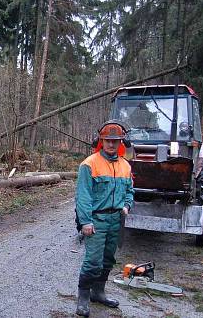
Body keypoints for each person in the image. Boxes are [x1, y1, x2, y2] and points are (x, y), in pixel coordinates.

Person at [75, 120, 134, 317]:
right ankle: (83, 298)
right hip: (97, 220)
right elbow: (83, 197)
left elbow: (129, 191)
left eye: (115, 141)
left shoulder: (125, 166)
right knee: (93, 261)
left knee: (108, 259)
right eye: (108, 140)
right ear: (101, 140)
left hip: (116, 220)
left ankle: (98, 292)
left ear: (120, 143)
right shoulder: (89, 164)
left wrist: (126, 205)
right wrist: (85, 222)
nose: (111, 144)